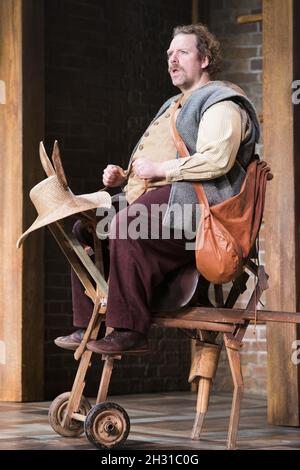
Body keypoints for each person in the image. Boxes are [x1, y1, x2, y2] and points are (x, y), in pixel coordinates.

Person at [55, 23, 260, 354]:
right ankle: (89, 322)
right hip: (164, 202)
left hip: (200, 212)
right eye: (169, 54)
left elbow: (217, 161)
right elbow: (160, 158)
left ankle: (129, 328)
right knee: (85, 228)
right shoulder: (173, 105)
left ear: (205, 59)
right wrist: (125, 178)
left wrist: (159, 170)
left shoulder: (221, 102)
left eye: (182, 52)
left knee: (125, 225)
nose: (172, 60)